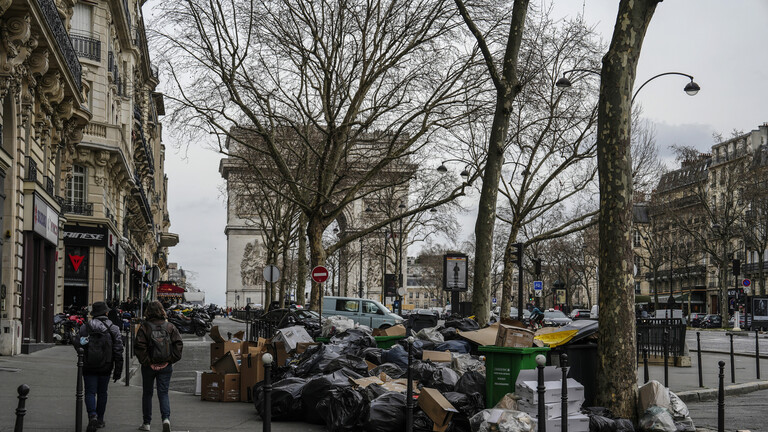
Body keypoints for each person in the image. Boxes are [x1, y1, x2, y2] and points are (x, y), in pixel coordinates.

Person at [74, 301, 124, 432]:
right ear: (106, 313)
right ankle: (100, 420)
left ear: (93, 314)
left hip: (88, 364)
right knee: (102, 392)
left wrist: (83, 355)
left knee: (90, 392)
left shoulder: (85, 327)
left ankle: (92, 416)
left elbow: (78, 343)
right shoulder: (113, 328)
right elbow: (118, 350)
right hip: (106, 365)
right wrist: (118, 370)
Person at [135, 300, 183, 432]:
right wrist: (169, 361)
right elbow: (178, 345)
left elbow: (139, 347)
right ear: (162, 310)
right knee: (163, 393)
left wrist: (148, 362)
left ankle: (147, 423)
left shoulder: (145, 327)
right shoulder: (170, 327)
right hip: (166, 366)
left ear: (148, 312)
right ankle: (165, 419)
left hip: (148, 367)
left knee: (147, 394)